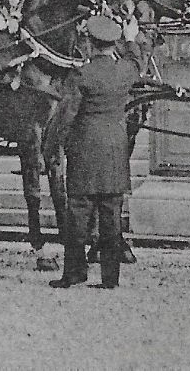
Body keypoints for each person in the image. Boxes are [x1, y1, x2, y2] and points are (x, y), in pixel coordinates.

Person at [45, 15, 140, 289]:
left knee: (78, 215)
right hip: (115, 149)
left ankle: (74, 273)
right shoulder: (125, 71)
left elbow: (66, 116)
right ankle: (110, 278)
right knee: (111, 216)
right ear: (113, 43)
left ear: (90, 43)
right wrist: (131, 39)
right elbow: (137, 60)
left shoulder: (81, 75)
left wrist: (50, 148)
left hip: (85, 150)